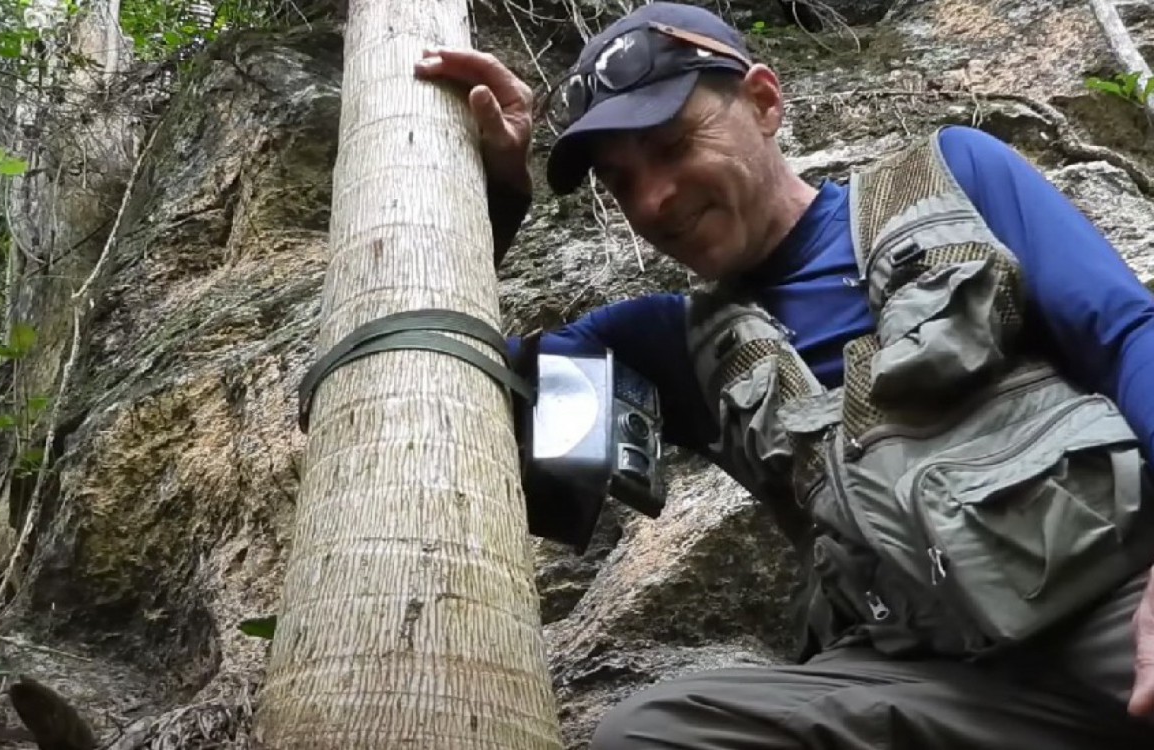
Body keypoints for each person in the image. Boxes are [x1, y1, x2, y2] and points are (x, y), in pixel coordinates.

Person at [415, 2, 1154, 747]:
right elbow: (426, 373)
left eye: (673, 146)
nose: (653, 200)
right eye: (620, 183)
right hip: (927, 685)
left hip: (1117, 607)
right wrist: (491, 198)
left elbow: (1128, 336)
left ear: (764, 102)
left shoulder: (952, 178)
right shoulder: (666, 344)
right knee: (649, 736)